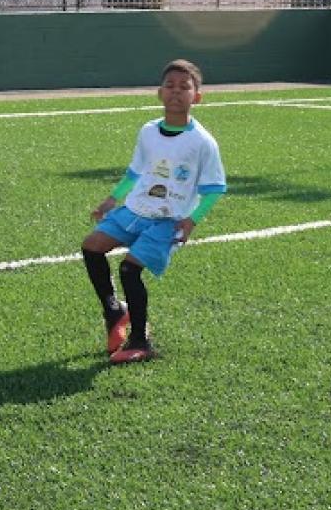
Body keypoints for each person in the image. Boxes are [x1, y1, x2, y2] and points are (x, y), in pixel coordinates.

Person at [81, 58, 227, 365]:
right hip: (135, 209)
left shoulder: (203, 142)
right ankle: (114, 311)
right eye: (170, 86)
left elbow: (214, 188)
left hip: (168, 219)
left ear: (196, 97)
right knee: (91, 247)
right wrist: (112, 199)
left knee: (129, 269)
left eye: (184, 87)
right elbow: (136, 171)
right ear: (159, 93)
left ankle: (140, 340)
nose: (176, 92)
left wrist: (192, 220)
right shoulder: (148, 131)